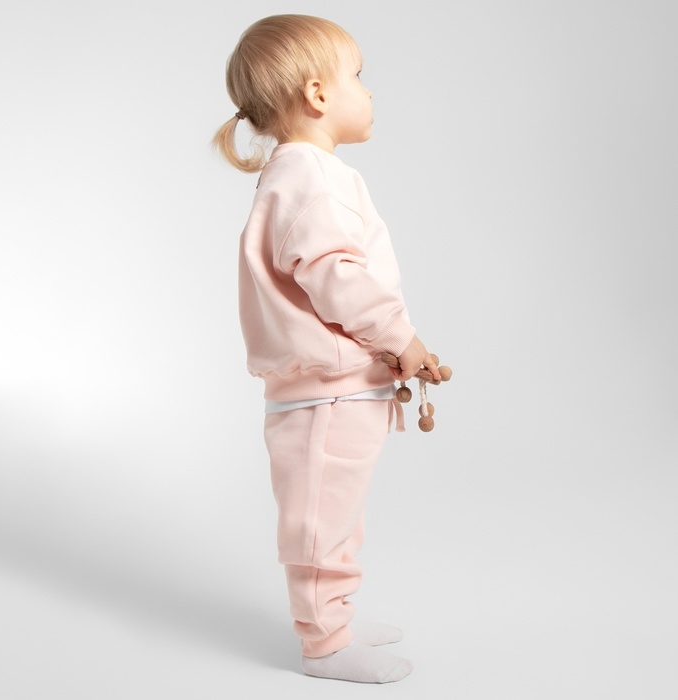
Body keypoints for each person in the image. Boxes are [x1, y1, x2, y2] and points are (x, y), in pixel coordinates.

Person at [212, 14, 441, 684]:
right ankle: (325, 645)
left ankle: (333, 617)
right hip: (326, 393)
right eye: (358, 76)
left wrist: (390, 349)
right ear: (317, 94)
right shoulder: (309, 176)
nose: (368, 91)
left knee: (336, 515)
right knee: (320, 520)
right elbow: (337, 277)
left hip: (340, 386)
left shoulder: (310, 173)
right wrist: (401, 338)